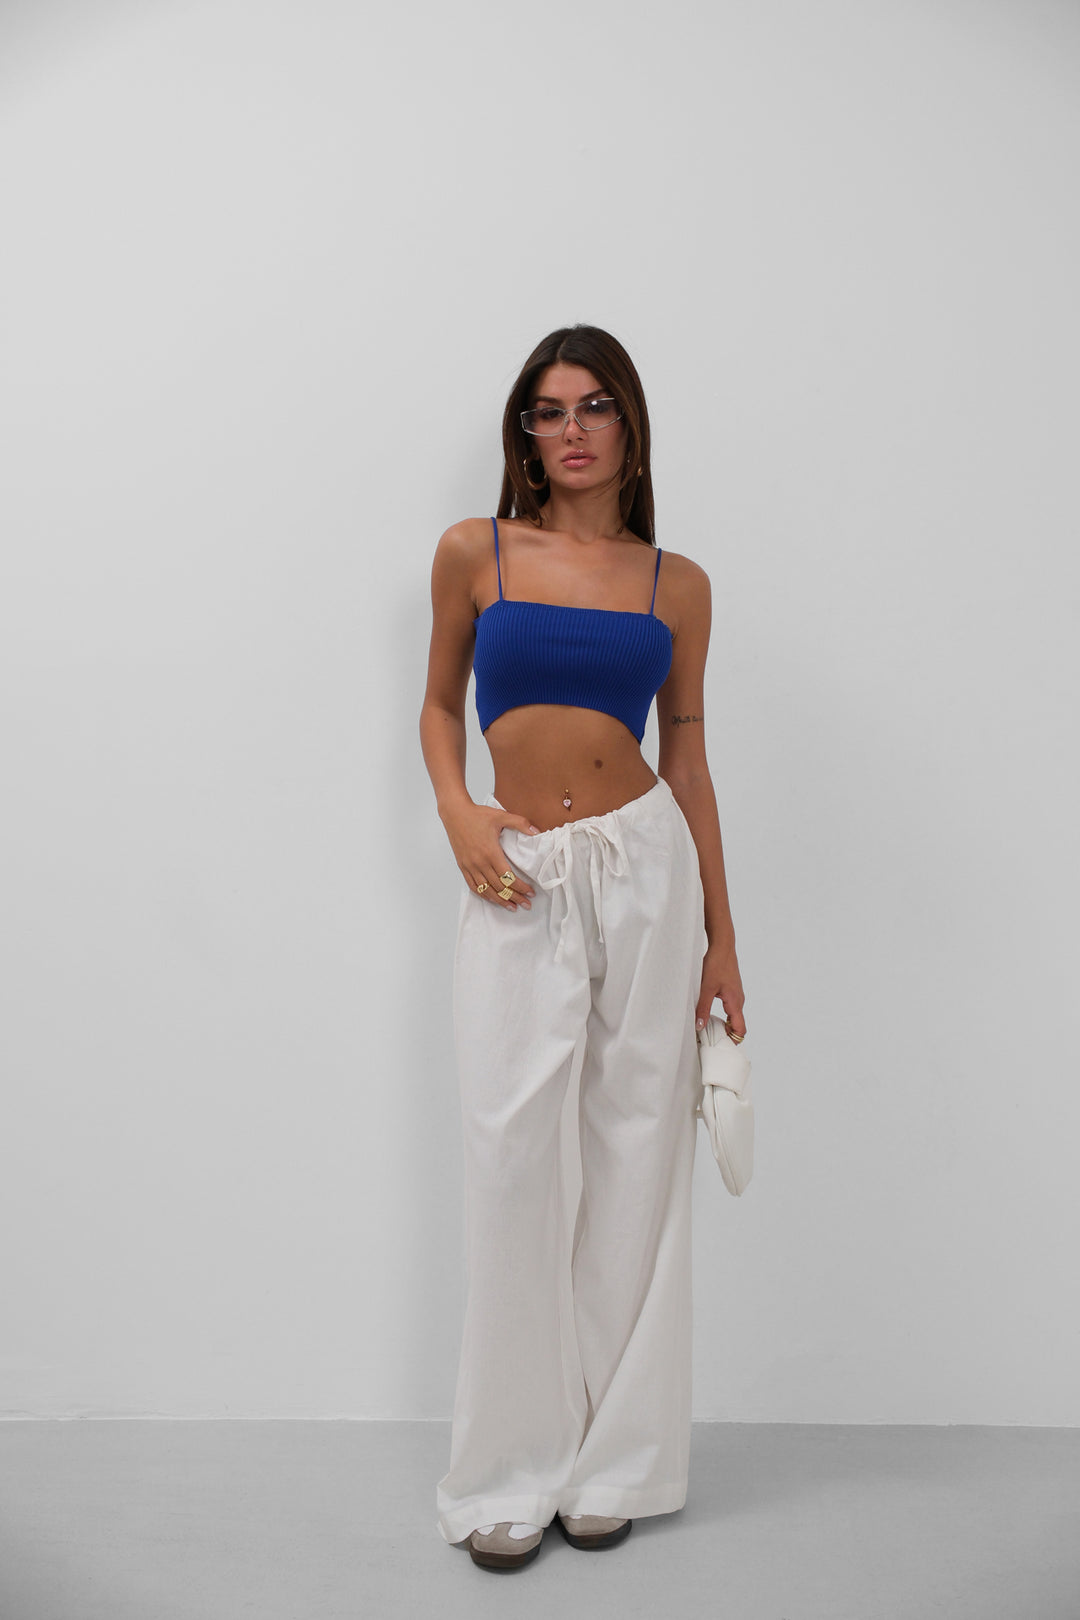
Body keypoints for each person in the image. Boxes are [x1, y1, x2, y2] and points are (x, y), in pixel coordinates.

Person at [419, 324, 747, 1572]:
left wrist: (724, 939)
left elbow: (691, 760)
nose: (571, 430)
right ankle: (507, 1472)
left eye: (594, 406)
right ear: (526, 433)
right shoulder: (477, 551)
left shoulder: (678, 584)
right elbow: (437, 706)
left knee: (635, 1156)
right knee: (513, 1165)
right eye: (548, 411)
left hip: (648, 867)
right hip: (517, 873)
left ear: (629, 428)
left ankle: (613, 1463)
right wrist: (458, 812)